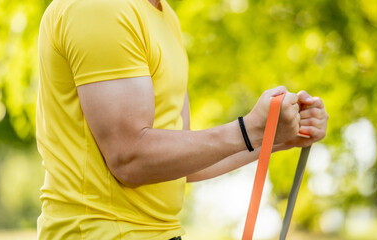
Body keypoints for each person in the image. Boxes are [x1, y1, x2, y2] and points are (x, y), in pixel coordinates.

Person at [36, 0, 329, 239]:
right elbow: (130, 159)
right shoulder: (101, 7)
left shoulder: (164, 16)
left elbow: (182, 164)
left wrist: (275, 137)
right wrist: (249, 129)